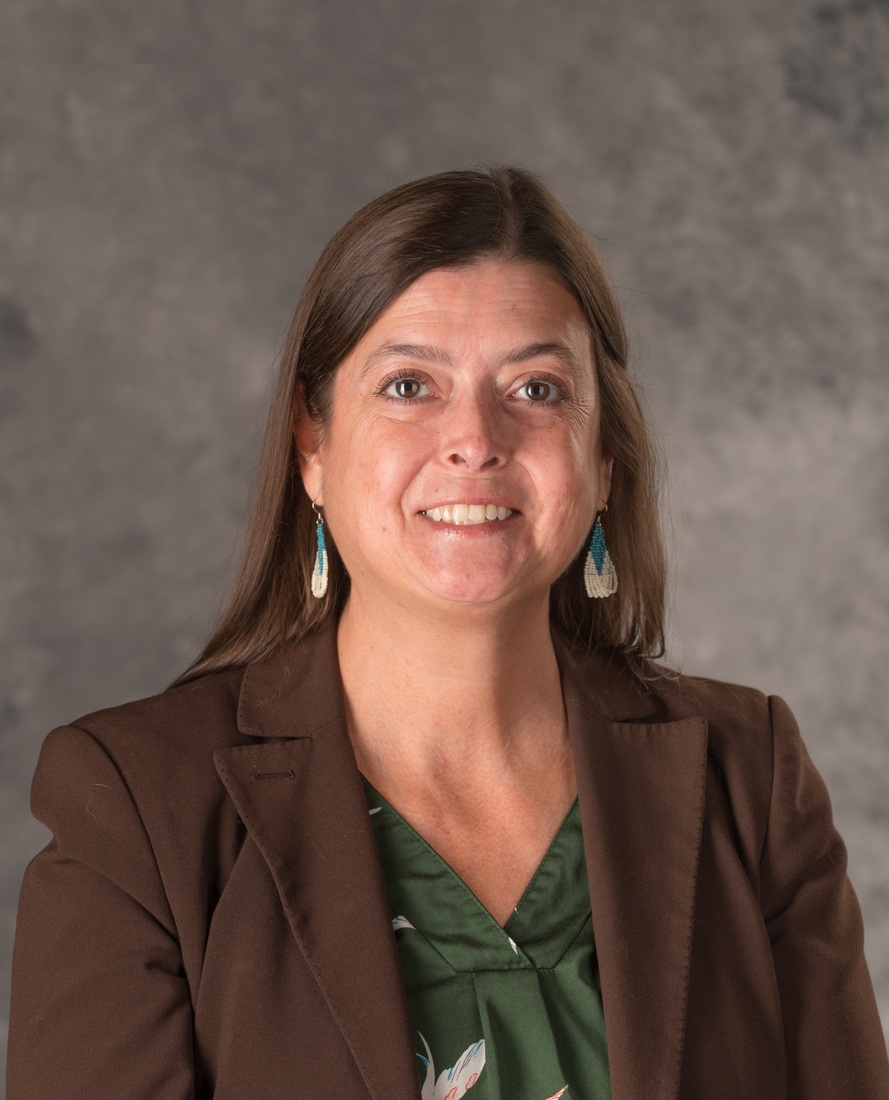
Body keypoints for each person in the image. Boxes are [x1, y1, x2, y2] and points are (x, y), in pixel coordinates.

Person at [7, 167, 889, 1100]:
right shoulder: (138, 807)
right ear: (312, 442)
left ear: (602, 456)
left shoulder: (748, 777)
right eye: (408, 385)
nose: (474, 439)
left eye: (537, 388)